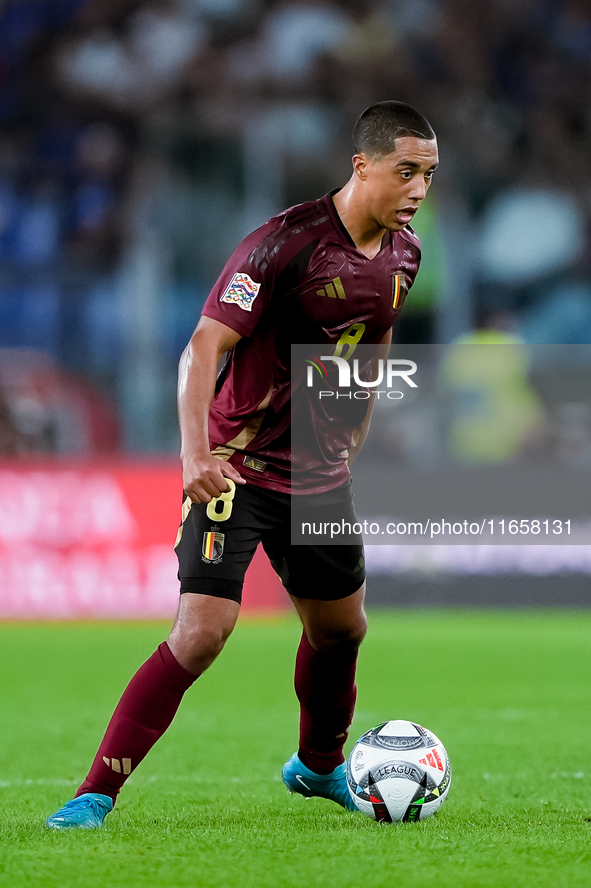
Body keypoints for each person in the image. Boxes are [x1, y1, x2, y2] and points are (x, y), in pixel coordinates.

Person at [46, 100, 439, 829]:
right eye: (405, 170)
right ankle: (93, 794)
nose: (418, 188)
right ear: (363, 165)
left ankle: (317, 768)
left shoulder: (403, 253)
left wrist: (357, 420)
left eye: (428, 174)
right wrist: (195, 452)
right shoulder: (283, 244)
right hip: (238, 467)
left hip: (318, 479)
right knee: (200, 632)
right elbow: (203, 346)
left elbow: (374, 334)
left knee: (341, 631)